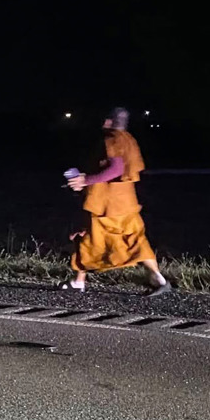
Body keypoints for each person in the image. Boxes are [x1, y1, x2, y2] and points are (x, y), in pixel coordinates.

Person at [61, 107, 171, 296]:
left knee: (87, 237)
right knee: (136, 240)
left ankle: (79, 282)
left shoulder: (111, 139)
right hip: (126, 202)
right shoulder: (129, 139)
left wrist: (85, 180)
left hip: (107, 204)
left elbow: (116, 169)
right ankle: (159, 280)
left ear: (108, 122)